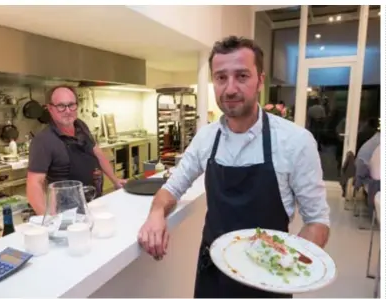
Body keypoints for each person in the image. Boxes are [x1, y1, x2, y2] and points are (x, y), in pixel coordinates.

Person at [137, 36, 330, 298]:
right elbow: (171, 188)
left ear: (260, 80)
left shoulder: (295, 141)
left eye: (241, 76)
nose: (229, 89)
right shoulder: (206, 138)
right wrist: (156, 213)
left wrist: (287, 265)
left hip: (268, 281)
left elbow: (317, 222)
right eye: (220, 77)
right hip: (212, 275)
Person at [27, 86, 126, 215]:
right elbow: (34, 184)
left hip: (92, 202)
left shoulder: (80, 125)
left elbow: (98, 153)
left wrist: (115, 180)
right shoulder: (43, 140)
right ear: (50, 108)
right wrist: (49, 221)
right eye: (61, 106)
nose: (68, 111)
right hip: (66, 213)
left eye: (71, 105)